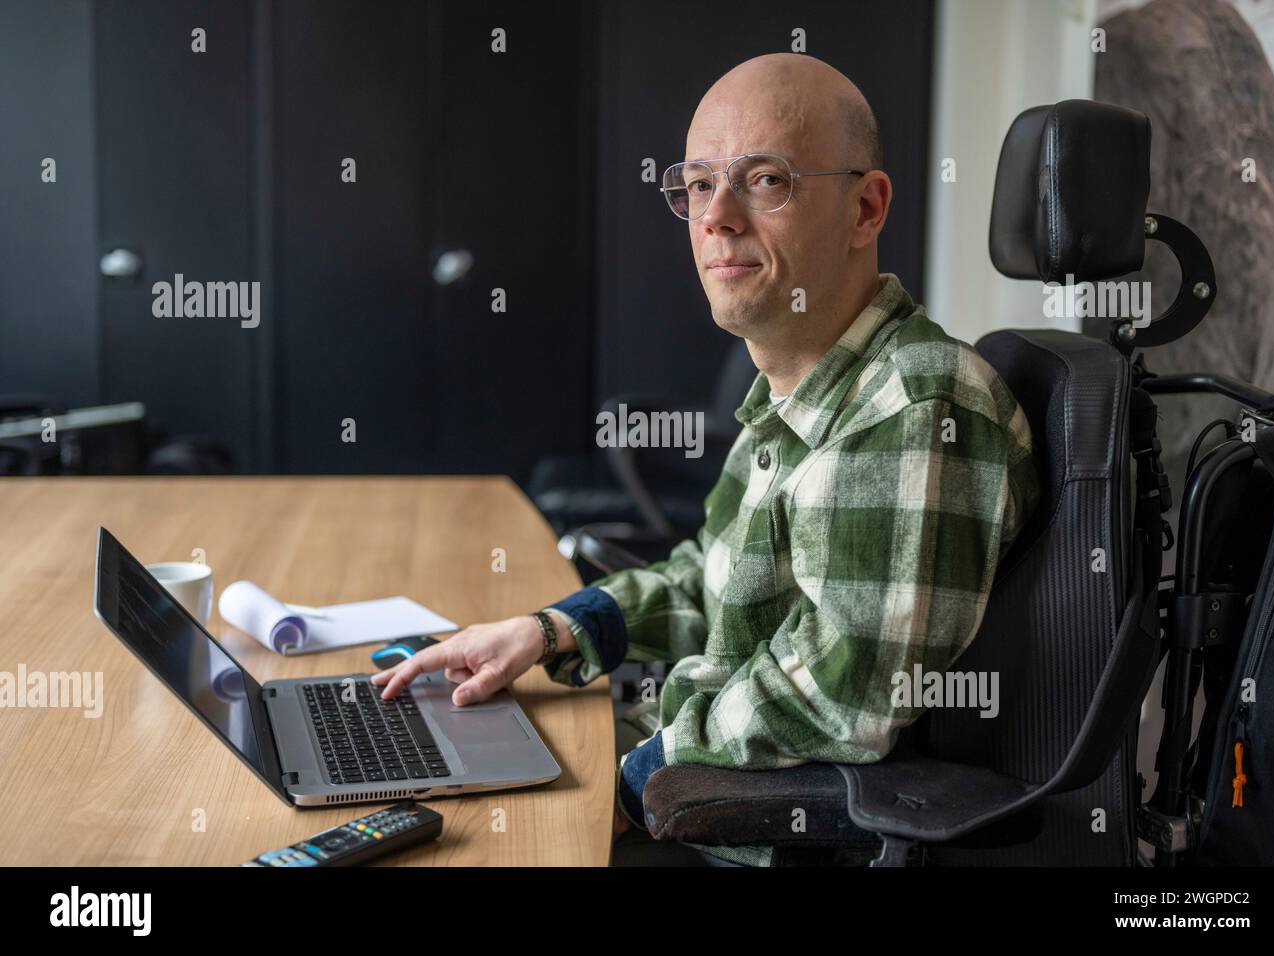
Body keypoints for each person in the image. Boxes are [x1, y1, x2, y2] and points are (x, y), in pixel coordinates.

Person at [373, 52, 1041, 866]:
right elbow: (713, 576)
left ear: (866, 209)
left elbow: (842, 691)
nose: (717, 216)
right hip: (697, 781)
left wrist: (627, 781)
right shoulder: (800, 388)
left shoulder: (914, 405)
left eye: (765, 180)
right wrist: (549, 631)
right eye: (696, 184)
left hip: (745, 835)